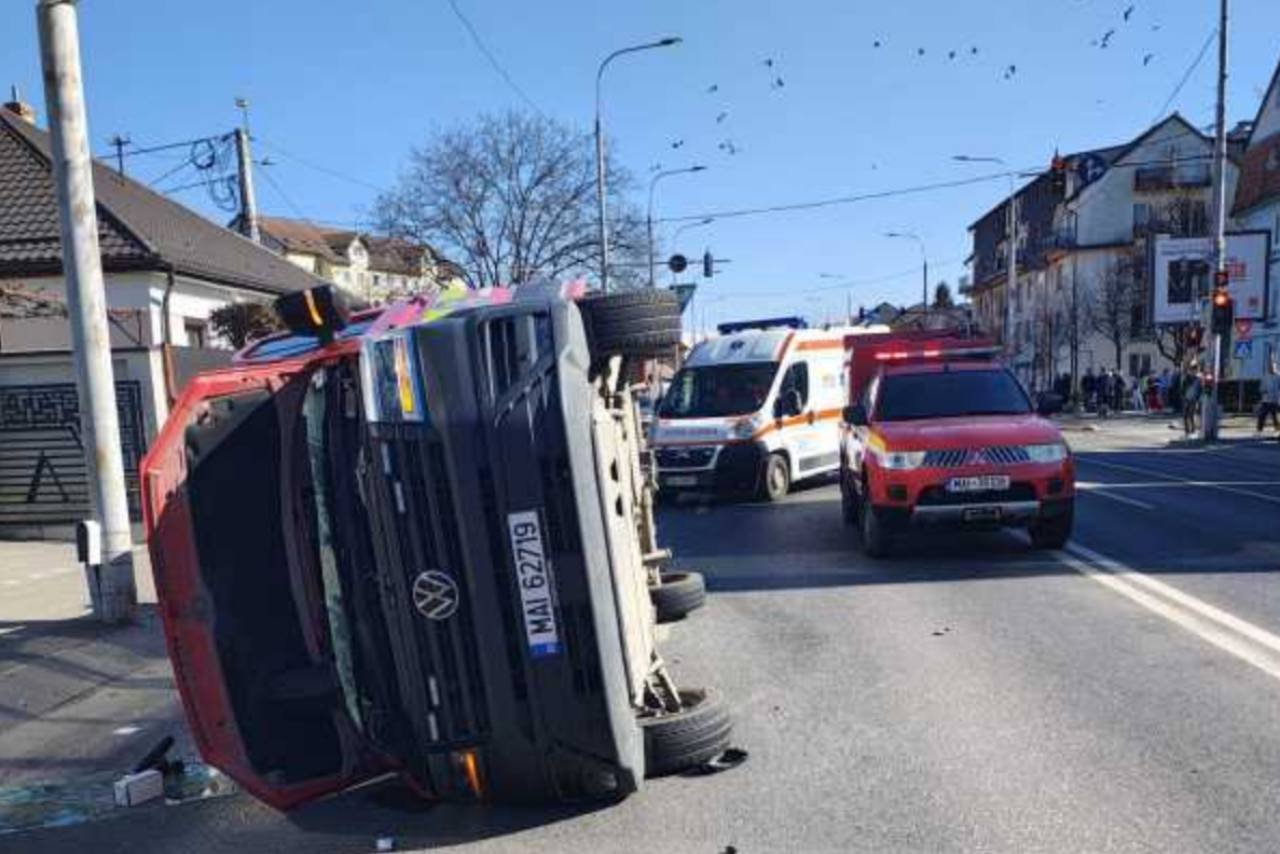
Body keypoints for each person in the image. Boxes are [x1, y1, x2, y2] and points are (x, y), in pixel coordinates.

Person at [1259, 355, 1280, 436]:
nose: (1272, 368)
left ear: (1276, 366)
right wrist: (1263, 391)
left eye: (1273, 366)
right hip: (1266, 400)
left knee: (1275, 417)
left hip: (1275, 400)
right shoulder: (1265, 376)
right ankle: (1259, 430)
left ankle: (1277, 430)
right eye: (1270, 366)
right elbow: (1261, 387)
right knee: (1262, 416)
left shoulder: (1278, 376)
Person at [1182, 366, 1202, 437]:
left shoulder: (1198, 380)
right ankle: (1187, 431)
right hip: (1186, 399)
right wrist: (1183, 397)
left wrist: (1198, 399)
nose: (1193, 372)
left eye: (1195, 371)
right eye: (1192, 371)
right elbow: (1183, 389)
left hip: (1193, 399)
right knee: (1185, 416)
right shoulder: (1186, 379)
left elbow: (1200, 390)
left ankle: (1193, 430)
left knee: (1191, 415)